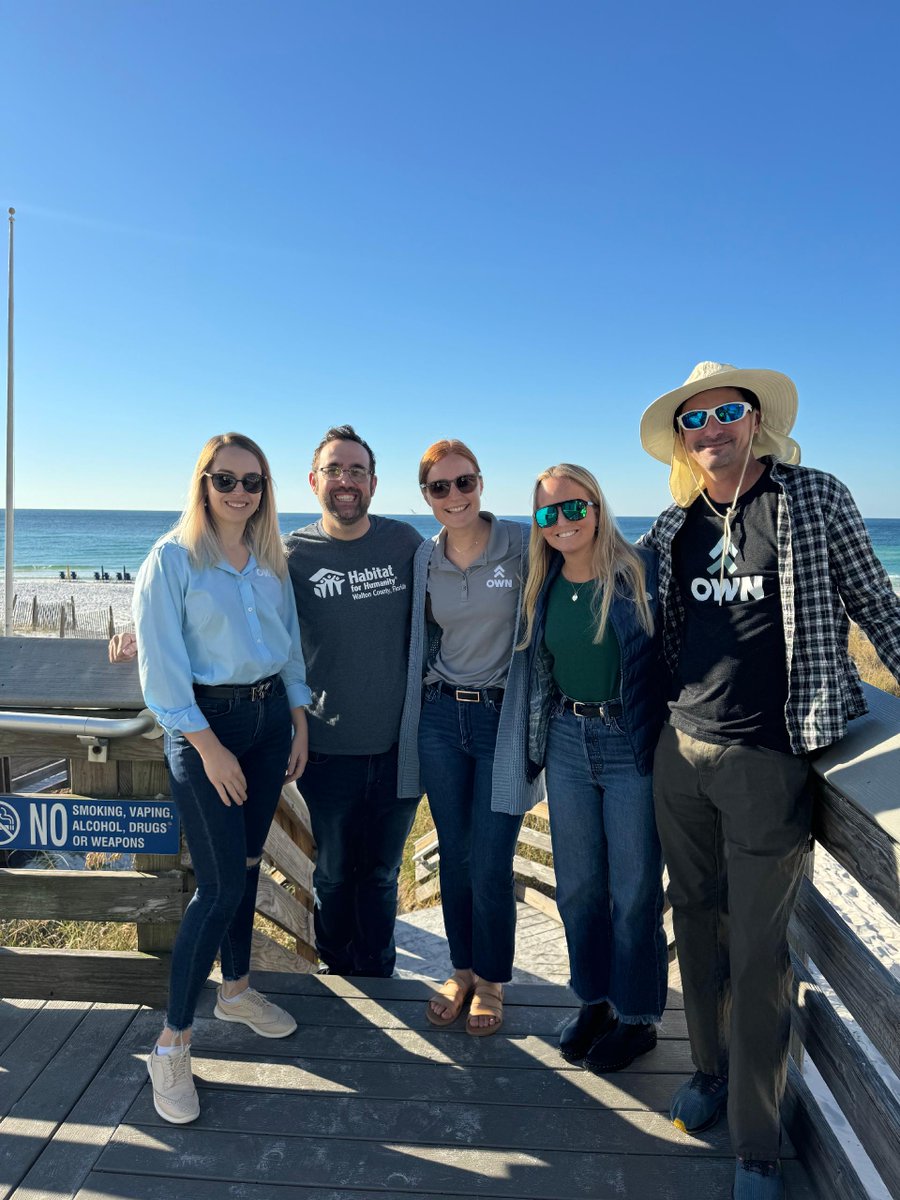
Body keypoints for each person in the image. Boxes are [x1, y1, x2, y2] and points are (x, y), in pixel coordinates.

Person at [639, 361, 900, 1199]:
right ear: (682, 438)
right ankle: (710, 1072)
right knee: (695, 924)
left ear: (755, 419)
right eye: (694, 419)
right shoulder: (674, 523)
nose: (711, 428)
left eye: (727, 411)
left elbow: (877, 603)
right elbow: (626, 600)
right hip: (680, 750)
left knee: (758, 952)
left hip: (769, 757)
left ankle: (756, 1143)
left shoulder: (811, 498)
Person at [133, 432, 311, 1125]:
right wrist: (208, 747)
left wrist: (297, 720)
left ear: (266, 490)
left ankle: (235, 991)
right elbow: (161, 670)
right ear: (203, 482)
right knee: (219, 888)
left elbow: (288, 647)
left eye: (253, 481)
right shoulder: (172, 558)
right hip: (204, 729)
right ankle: (171, 1044)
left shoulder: (270, 560)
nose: (240, 492)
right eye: (226, 479)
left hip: (268, 725)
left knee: (245, 863)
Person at [516, 464, 667, 1071]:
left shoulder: (640, 571)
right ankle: (596, 1001)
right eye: (547, 513)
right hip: (566, 740)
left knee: (634, 891)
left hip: (631, 741)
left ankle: (638, 1017)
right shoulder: (542, 580)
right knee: (579, 887)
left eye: (574, 507)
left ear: (598, 508)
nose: (562, 521)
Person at [397, 439, 543, 1034]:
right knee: (454, 855)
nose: (454, 496)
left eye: (464, 483)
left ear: (481, 483)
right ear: (426, 495)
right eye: (440, 487)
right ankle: (460, 970)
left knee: (490, 859)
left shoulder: (524, 544)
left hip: (502, 720)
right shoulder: (424, 558)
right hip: (439, 718)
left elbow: (591, 566)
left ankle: (492, 980)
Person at [284, 425, 423, 977]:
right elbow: (233, 610)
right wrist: (146, 633)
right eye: (335, 470)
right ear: (313, 480)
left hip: (400, 748)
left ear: (373, 483)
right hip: (326, 748)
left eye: (357, 471)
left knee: (382, 874)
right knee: (334, 873)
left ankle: (379, 971)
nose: (346, 481)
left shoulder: (404, 543)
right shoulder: (291, 554)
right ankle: (338, 972)